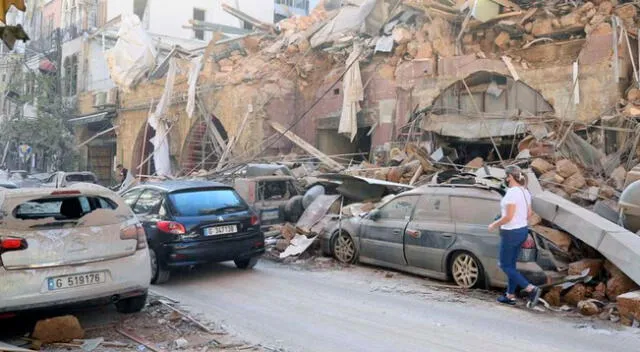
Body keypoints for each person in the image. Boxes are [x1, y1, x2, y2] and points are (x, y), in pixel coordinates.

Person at [488, 165, 542, 307]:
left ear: (510, 177)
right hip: (522, 231)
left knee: (504, 265)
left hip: (511, 232)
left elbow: (508, 217)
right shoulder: (525, 192)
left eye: (507, 177)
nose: (506, 179)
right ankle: (510, 295)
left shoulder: (512, 193)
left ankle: (531, 288)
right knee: (511, 265)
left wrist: (494, 224)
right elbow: (529, 214)